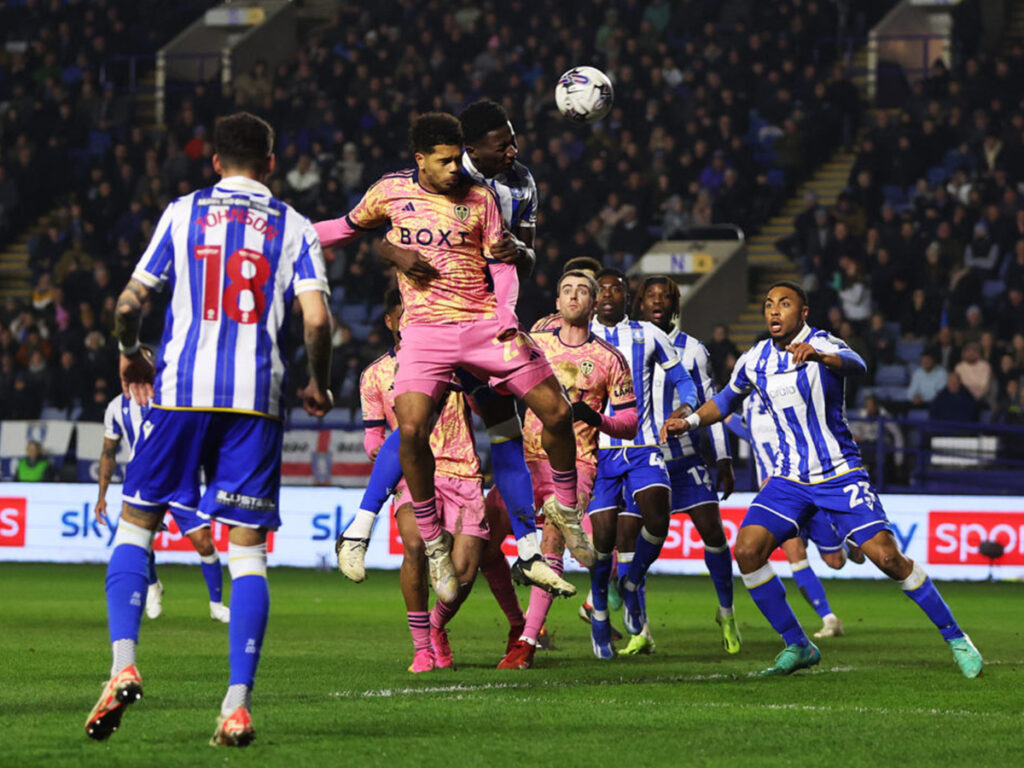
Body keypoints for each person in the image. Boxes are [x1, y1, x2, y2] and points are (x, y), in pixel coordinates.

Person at [85, 112, 333, 747]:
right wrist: (318, 381)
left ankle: (123, 665)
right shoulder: (295, 225)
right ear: (271, 163)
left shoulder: (182, 212)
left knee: (136, 525)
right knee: (247, 552)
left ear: (216, 162)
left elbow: (127, 304)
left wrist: (130, 352)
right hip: (256, 400)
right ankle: (236, 704)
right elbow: (317, 320)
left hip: (179, 394)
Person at [314, 112, 590, 605]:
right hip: (427, 331)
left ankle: (559, 517)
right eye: (446, 161)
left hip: (484, 326)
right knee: (413, 429)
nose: (455, 169)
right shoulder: (391, 190)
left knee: (550, 414)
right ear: (422, 159)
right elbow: (347, 228)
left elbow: (508, 262)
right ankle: (416, 538)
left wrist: (506, 312)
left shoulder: (493, 195)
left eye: (459, 159)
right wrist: (286, 239)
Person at [663, 280, 982, 679]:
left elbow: (858, 364)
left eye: (784, 303)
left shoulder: (823, 342)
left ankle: (957, 638)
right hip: (788, 479)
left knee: (887, 558)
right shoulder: (754, 358)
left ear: (803, 313)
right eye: (769, 304)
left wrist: (821, 357)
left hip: (839, 473)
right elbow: (727, 400)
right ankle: (798, 644)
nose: (774, 310)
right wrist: (690, 421)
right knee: (746, 550)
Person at [498, 270, 637, 670]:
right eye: (566, 291)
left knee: (553, 541)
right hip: (526, 462)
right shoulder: (534, 344)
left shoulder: (610, 359)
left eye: (582, 292)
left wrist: (595, 418)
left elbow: (629, 423)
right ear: (557, 302)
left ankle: (527, 643)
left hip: (576, 465)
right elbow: (499, 383)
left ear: (593, 305)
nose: (574, 297)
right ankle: (512, 622)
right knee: (481, 543)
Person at [360, 290, 488, 672]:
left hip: (463, 470)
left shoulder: (456, 362)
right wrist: (379, 450)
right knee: (414, 545)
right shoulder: (375, 375)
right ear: (390, 321)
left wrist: (469, 379)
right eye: (405, 315)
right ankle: (420, 649)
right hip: (415, 472)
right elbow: (372, 436)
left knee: (463, 574)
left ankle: (435, 626)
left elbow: (485, 409)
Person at [586, 268, 697, 659]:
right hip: (598, 451)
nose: (607, 294)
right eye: (601, 289)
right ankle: (600, 614)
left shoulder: (649, 334)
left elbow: (685, 382)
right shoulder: (580, 337)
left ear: (627, 297)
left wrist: (685, 409)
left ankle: (631, 582)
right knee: (603, 542)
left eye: (615, 289)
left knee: (658, 519)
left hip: (644, 445)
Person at [631, 275, 740, 656]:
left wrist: (723, 457)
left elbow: (713, 405)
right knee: (632, 545)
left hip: (686, 456)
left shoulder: (694, 350)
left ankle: (726, 613)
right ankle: (640, 626)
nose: (658, 302)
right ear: (640, 303)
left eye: (665, 297)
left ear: (675, 305)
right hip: (642, 458)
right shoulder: (627, 343)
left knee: (713, 532)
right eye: (651, 296)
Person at [96, 367, 230, 624]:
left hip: (181, 481)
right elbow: (108, 453)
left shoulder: (172, 398)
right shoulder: (115, 407)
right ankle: (153, 585)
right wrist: (102, 495)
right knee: (141, 542)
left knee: (204, 543)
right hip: (144, 483)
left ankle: (216, 605)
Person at [726, 390, 859, 640]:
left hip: (803, 482)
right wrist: (723, 415)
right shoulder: (749, 401)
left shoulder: (789, 392)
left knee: (835, 561)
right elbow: (750, 433)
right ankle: (829, 619)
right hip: (777, 496)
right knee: (795, 554)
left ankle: (849, 545)